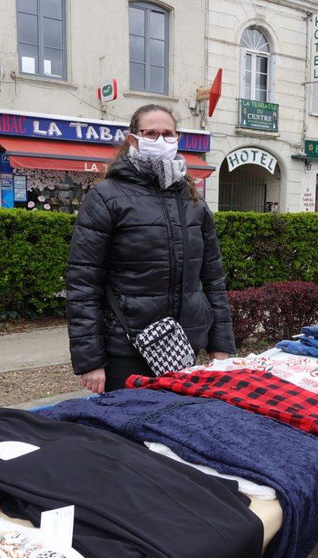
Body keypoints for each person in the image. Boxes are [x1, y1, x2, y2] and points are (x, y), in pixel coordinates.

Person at [66, 104, 236, 393]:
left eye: (168, 133)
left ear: (177, 138)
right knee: (125, 434)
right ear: (133, 139)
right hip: (126, 347)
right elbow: (83, 283)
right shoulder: (106, 197)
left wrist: (220, 344)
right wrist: (90, 361)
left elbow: (212, 278)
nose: (161, 139)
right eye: (151, 133)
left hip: (184, 346)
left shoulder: (192, 201)